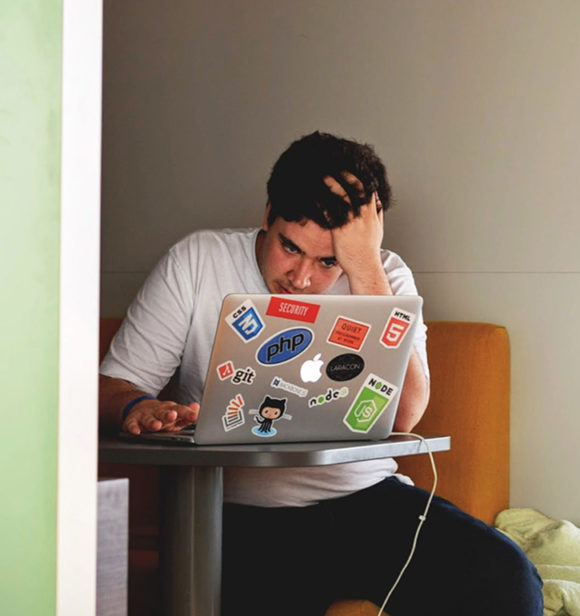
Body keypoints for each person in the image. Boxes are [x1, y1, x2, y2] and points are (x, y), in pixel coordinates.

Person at [98, 131, 543, 615]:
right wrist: (140, 407)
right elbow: (111, 387)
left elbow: (407, 415)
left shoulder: (384, 275)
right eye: (290, 248)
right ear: (268, 214)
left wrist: (364, 268)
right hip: (238, 515)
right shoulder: (198, 260)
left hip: (366, 500)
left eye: (327, 260)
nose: (302, 278)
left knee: (508, 580)